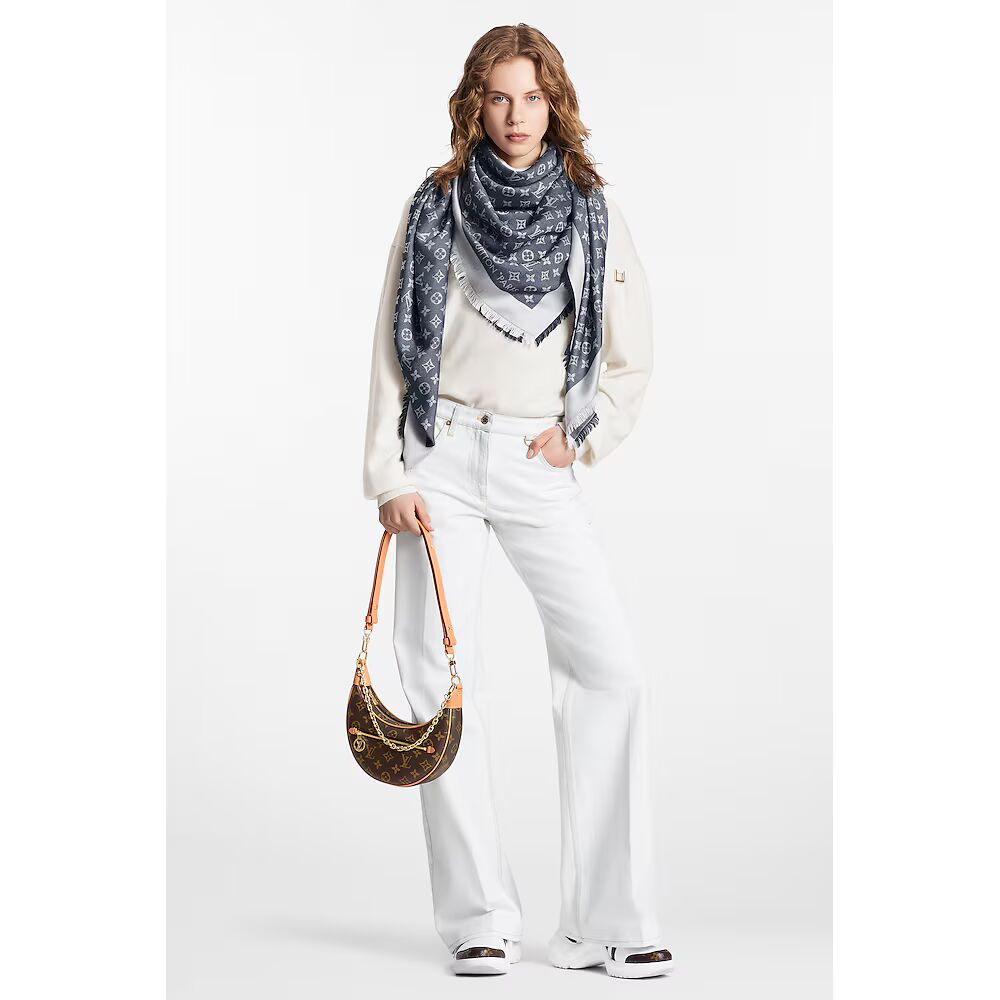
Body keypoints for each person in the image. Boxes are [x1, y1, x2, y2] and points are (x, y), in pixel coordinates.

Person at [361, 24, 673, 980]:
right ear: (474, 104)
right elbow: (390, 346)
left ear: (555, 103)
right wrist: (389, 474)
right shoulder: (436, 204)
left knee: (609, 665)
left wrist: (583, 436)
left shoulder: (590, 210)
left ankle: (608, 921)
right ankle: (480, 918)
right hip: (442, 458)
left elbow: (630, 353)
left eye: (532, 97)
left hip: (538, 463)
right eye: (499, 97)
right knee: (437, 672)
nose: (516, 115)